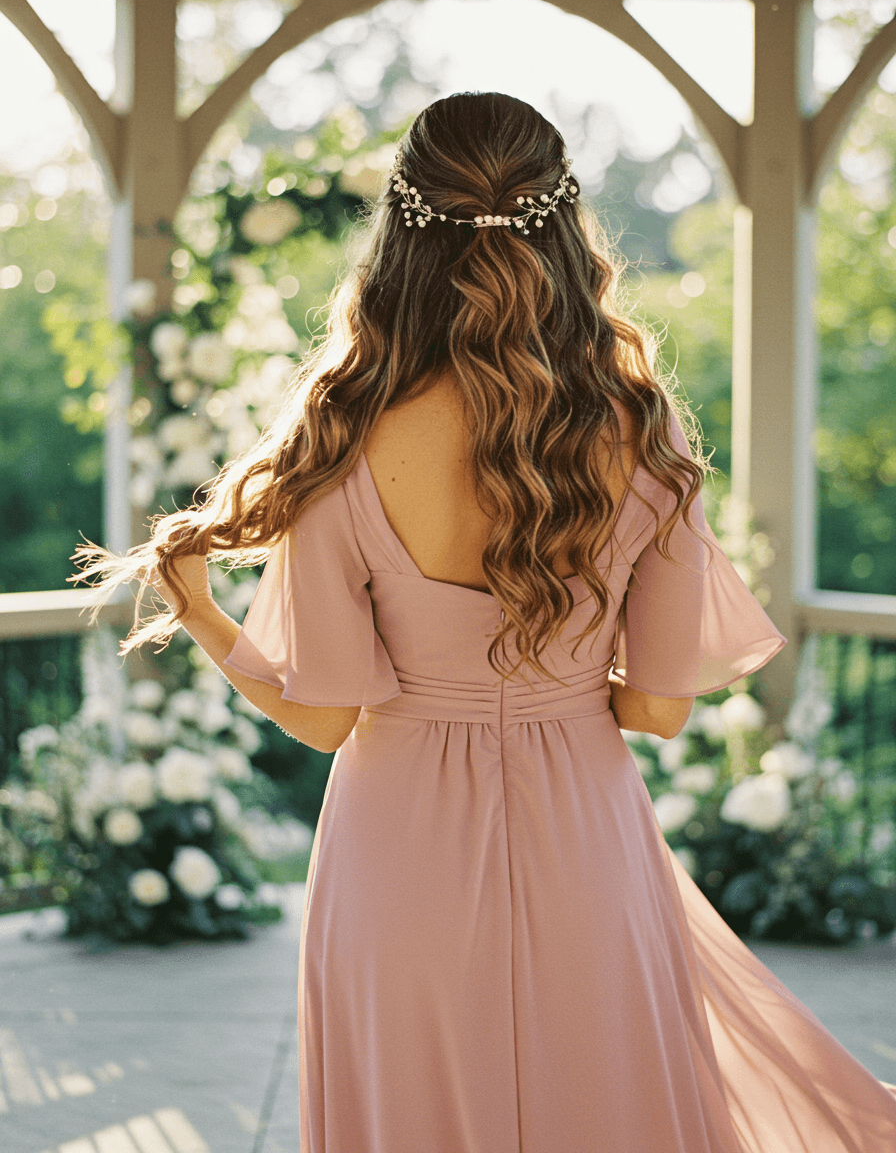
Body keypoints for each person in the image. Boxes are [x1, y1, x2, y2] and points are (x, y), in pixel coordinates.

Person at [74, 92, 896, 1152]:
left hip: (394, 852)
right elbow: (655, 704)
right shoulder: (640, 435)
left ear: (399, 229)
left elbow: (323, 719)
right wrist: (546, 683)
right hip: (586, 842)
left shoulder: (343, 437)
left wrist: (198, 612)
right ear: (565, 227)